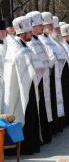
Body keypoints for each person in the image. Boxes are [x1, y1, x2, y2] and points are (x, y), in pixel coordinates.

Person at [4, 16, 41, 154]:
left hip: (28, 86)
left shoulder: (22, 44)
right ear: (23, 32)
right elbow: (25, 63)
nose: (31, 34)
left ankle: (30, 146)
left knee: (30, 115)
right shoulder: (16, 47)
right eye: (30, 32)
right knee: (24, 114)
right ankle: (24, 147)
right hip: (20, 89)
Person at [26, 11, 53, 144]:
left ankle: (45, 135)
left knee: (43, 108)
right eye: (38, 25)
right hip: (37, 81)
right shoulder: (30, 42)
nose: (41, 27)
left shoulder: (38, 39)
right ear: (32, 26)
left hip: (44, 79)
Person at [0, 20, 7, 112]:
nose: (3, 33)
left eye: (4, 30)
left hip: (7, 80)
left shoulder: (8, 44)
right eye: (0, 31)